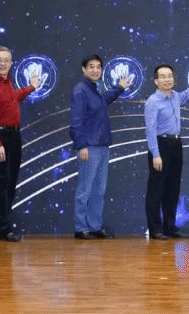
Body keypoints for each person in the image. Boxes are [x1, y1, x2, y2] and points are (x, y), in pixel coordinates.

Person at [0, 46, 41, 242]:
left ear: (11, 63)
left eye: (6, 60)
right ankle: (2, 229)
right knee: (2, 184)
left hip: (13, 136)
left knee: (9, 184)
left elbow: (12, 98)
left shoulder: (6, 82)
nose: (3, 63)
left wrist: (31, 87)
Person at [144, 64, 189, 240]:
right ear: (156, 81)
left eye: (170, 76)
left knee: (173, 189)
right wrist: (155, 154)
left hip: (175, 145)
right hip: (160, 145)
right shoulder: (152, 102)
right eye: (163, 76)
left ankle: (170, 227)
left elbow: (187, 94)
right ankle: (155, 229)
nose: (167, 79)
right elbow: (150, 130)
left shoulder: (175, 97)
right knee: (156, 190)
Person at [69, 54, 130, 239]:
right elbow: (75, 121)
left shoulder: (96, 88)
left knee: (99, 190)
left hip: (102, 146)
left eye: (98, 67)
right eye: (91, 66)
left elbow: (103, 101)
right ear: (84, 69)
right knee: (85, 190)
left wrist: (119, 88)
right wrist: (81, 145)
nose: (95, 70)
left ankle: (95, 226)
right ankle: (81, 228)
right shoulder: (80, 90)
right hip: (89, 147)